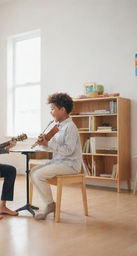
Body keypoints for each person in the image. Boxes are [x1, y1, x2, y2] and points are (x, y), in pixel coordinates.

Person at [30, 92, 82, 220]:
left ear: (62, 109)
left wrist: (50, 142)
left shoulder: (70, 127)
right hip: (59, 162)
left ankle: (50, 205)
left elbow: (68, 151)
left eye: (53, 108)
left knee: (38, 174)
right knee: (32, 172)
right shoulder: (57, 126)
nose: (51, 112)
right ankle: (50, 203)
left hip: (70, 164)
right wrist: (44, 143)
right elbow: (51, 147)